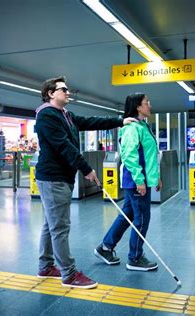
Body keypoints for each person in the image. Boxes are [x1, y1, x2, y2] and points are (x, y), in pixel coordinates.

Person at [34, 76, 137, 289]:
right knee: (60, 227)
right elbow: (64, 146)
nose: (68, 92)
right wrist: (87, 169)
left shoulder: (66, 115)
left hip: (60, 178)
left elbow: (91, 122)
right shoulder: (47, 116)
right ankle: (69, 274)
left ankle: (45, 266)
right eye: (63, 89)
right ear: (51, 93)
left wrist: (120, 120)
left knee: (50, 224)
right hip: (53, 178)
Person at [94, 92, 162, 271]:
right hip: (135, 181)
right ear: (138, 107)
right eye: (147, 102)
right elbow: (130, 156)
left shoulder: (143, 126)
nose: (150, 105)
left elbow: (148, 155)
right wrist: (140, 181)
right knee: (142, 218)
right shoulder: (133, 128)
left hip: (140, 179)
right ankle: (135, 258)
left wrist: (156, 177)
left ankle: (106, 247)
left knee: (127, 215)